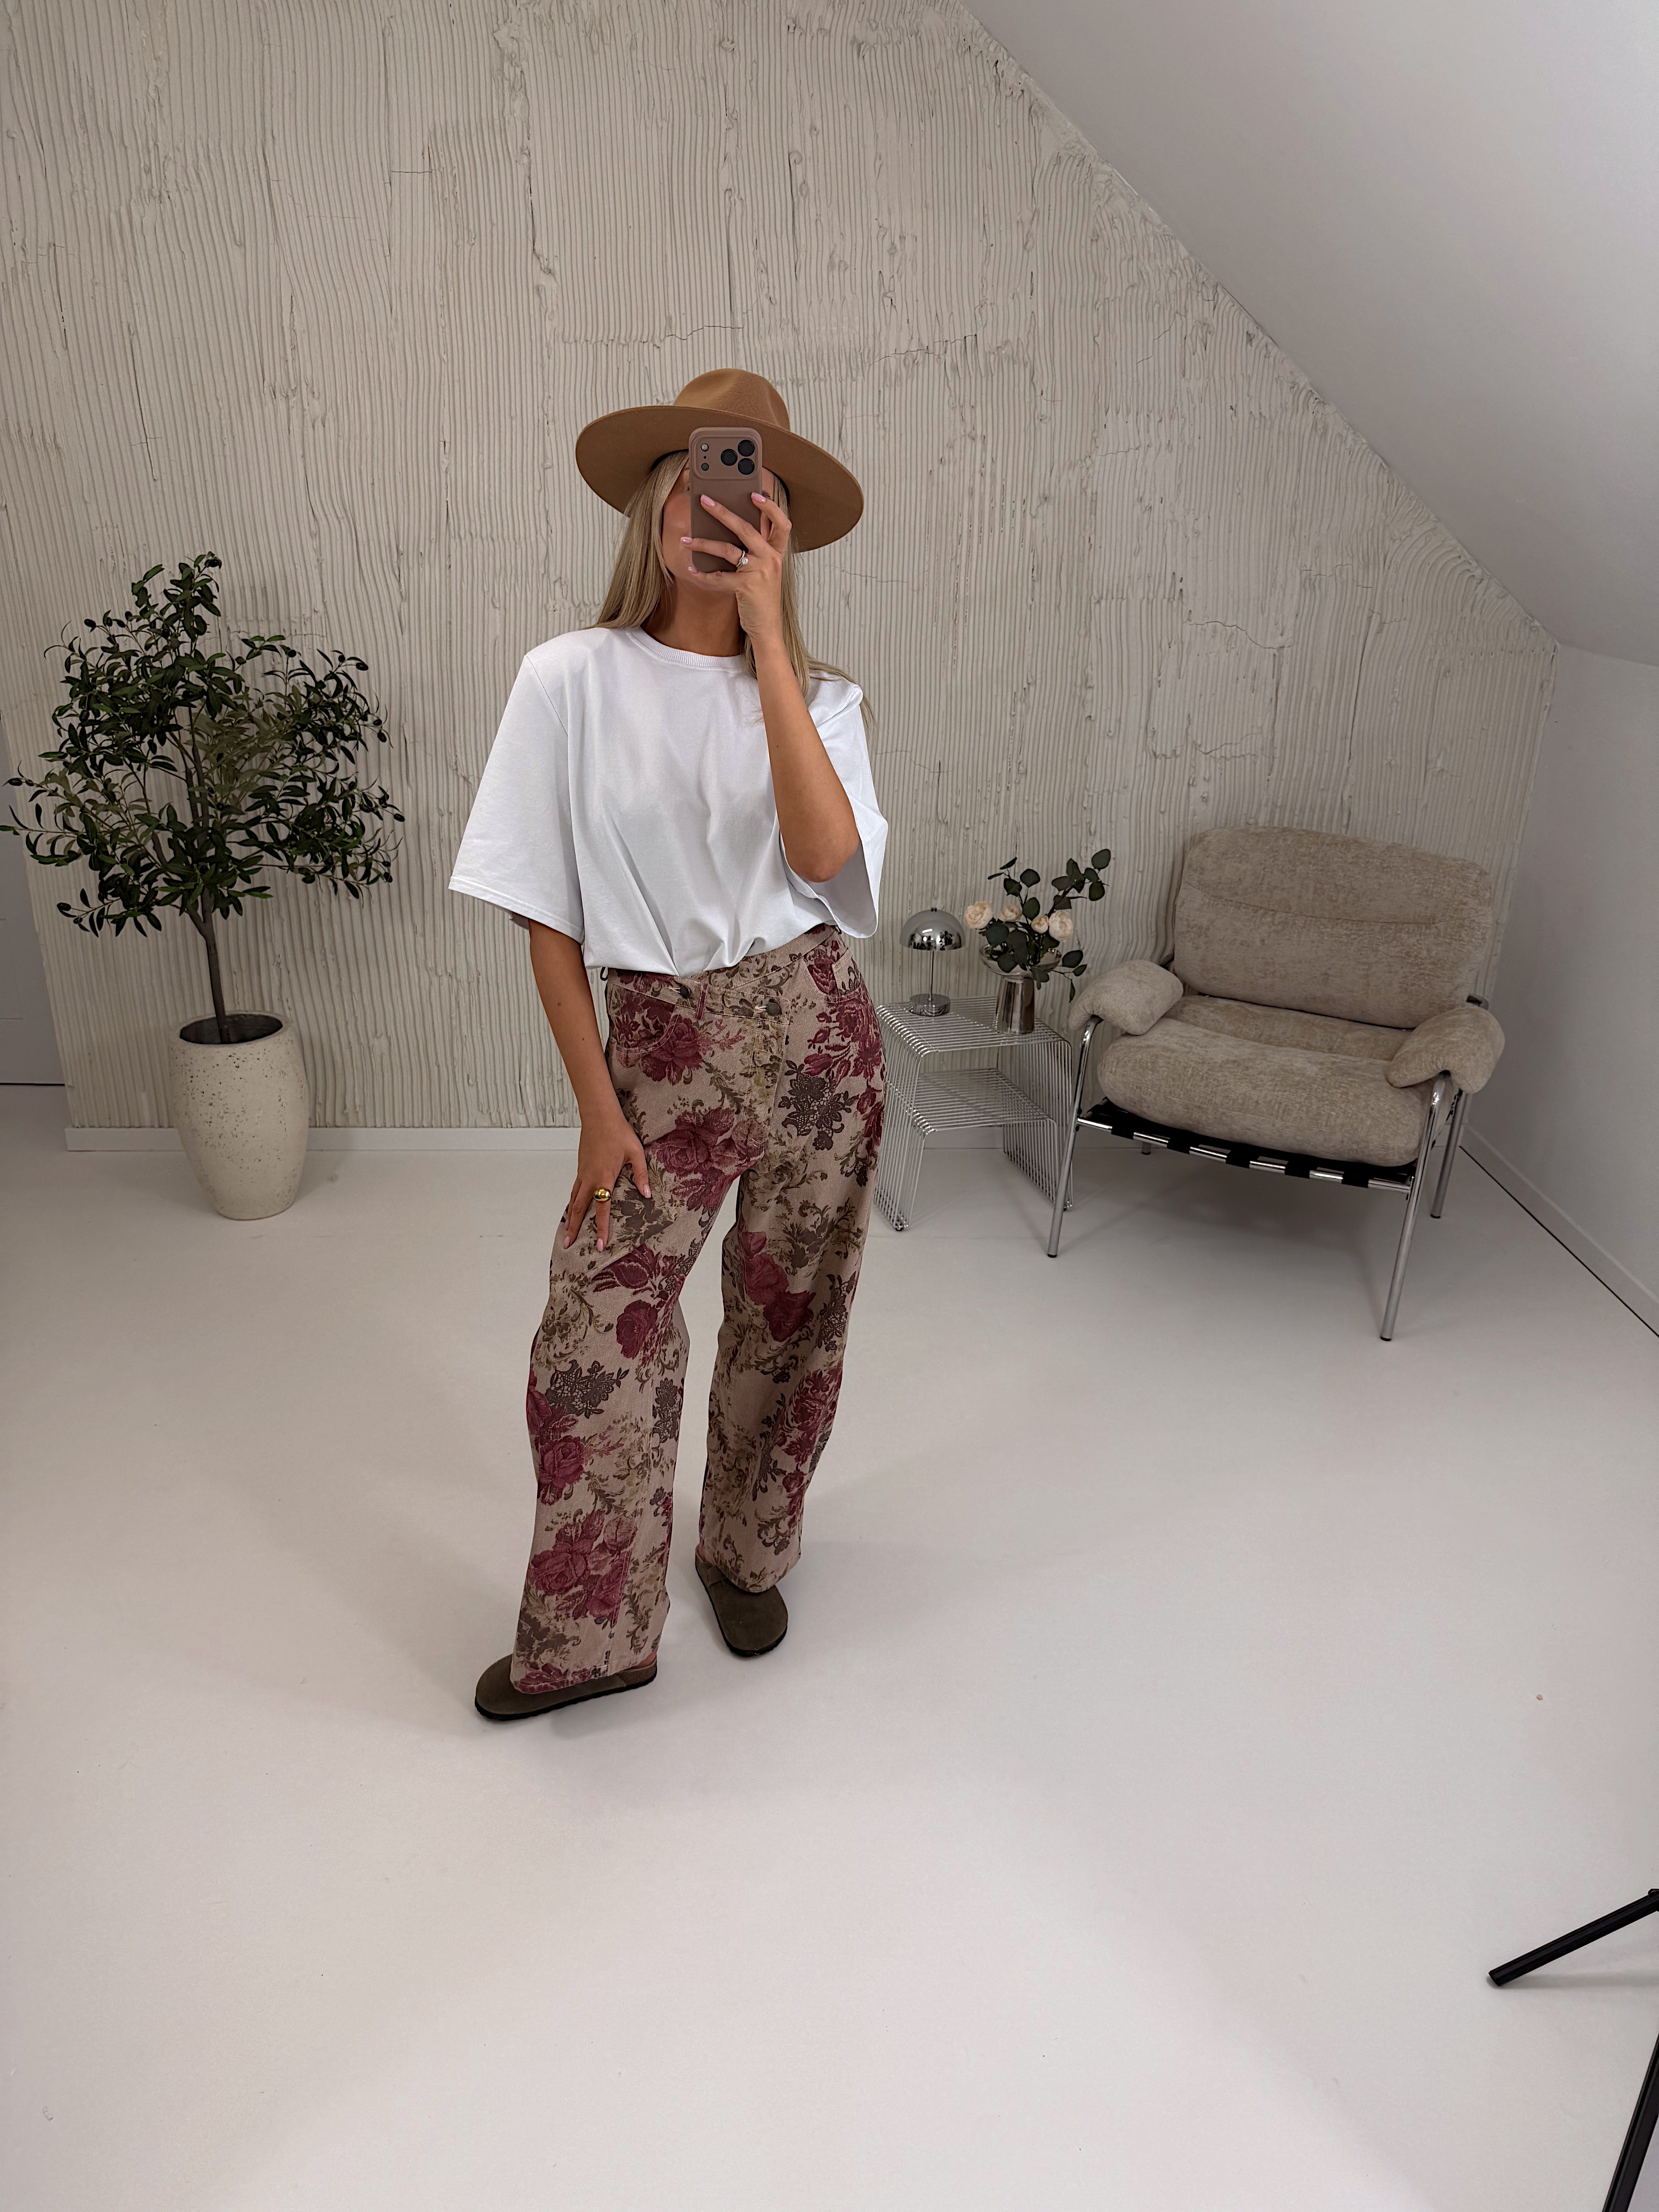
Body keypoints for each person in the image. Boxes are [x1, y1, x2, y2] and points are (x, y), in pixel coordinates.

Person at [448, 369, 888, 1719]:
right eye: (696, 487)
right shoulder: (568, 678)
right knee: (597, 1340)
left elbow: (824, 858)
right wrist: (598, 1107)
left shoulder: (821, 698)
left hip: (816, 1034)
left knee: (792, 1314)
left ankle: (746, 1551)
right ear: (655, 503)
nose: (715, 514)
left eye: (747, 496)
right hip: (655, 1045)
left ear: (779, 525)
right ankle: (594, 1638)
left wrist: (766, 641)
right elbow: (545, 914)